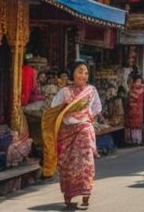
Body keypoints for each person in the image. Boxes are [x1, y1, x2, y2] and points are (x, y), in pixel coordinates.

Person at [43, 61, 103, 210]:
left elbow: (97, 107)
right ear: (72, 74)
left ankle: (85, 195)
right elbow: (53, 110)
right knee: (67, 165)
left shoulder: (91, 90)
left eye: (86, 72)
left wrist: (88, 115)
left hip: (84, 130)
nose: (83, 75)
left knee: (85, 163)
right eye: (80, 71)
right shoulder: (64, 92)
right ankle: (68, 195)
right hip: (66, 133)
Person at [125, 75, 144, 146]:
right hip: (137, 111)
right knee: (136, 126)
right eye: (137, 81)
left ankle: (134, 140)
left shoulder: (133, 91)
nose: (138, 83)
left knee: (134, 126)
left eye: (139, 81)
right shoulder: (142, 89)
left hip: (134, 111)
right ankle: (136, 140)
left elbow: (130, 102)